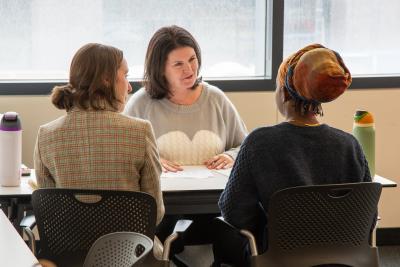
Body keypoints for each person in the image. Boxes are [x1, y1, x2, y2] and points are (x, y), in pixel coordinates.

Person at [214, 43, 372, 266]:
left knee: (222, 233)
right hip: (343, 259)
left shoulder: (259, 143)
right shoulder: (350, 145)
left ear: (286, 92)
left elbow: (233, 212)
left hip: (279, 259)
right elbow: (367, 215)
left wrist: (271, 224)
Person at [34, 43, 164, 256]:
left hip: (68, 255)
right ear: (106, 79)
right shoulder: (140, 131)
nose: (130, 87)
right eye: (126, 76)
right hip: (129, 256)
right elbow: (155, 213)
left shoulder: (46, 135)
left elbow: (50, 214)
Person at [123, 25, 247, 172]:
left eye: (192, 59)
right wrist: (149, 161)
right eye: (178, 64)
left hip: (215, 193)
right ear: (160, 69)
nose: (189, 69)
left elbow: (245, 146)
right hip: (161, 193)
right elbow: (122, 154)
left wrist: (231, 156)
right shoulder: (140, 104)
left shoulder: (216, 98)